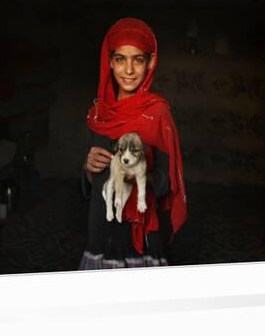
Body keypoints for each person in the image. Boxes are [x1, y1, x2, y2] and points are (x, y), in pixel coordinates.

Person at [78, 17, 187, 270]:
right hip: (101, 228)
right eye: (120, 59)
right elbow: (90, 180)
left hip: (140, 235)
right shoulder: (98, 114)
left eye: (137, 59)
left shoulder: (157, 113)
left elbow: (168, 181)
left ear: (150, 63)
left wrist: (139, 177)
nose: (128, 70)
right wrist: (86, 167)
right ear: (109, 63)